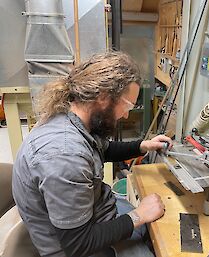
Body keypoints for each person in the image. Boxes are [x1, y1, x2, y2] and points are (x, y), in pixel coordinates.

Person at [12, 51, 173, 257]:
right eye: (127, 106)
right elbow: (78, 244)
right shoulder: (65, 155)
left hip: (96, 213)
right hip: (80, 247)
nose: (125, 115)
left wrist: (143, 146)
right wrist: (138, 216)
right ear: (104, 97)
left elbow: (102, 149)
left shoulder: (71, 116)